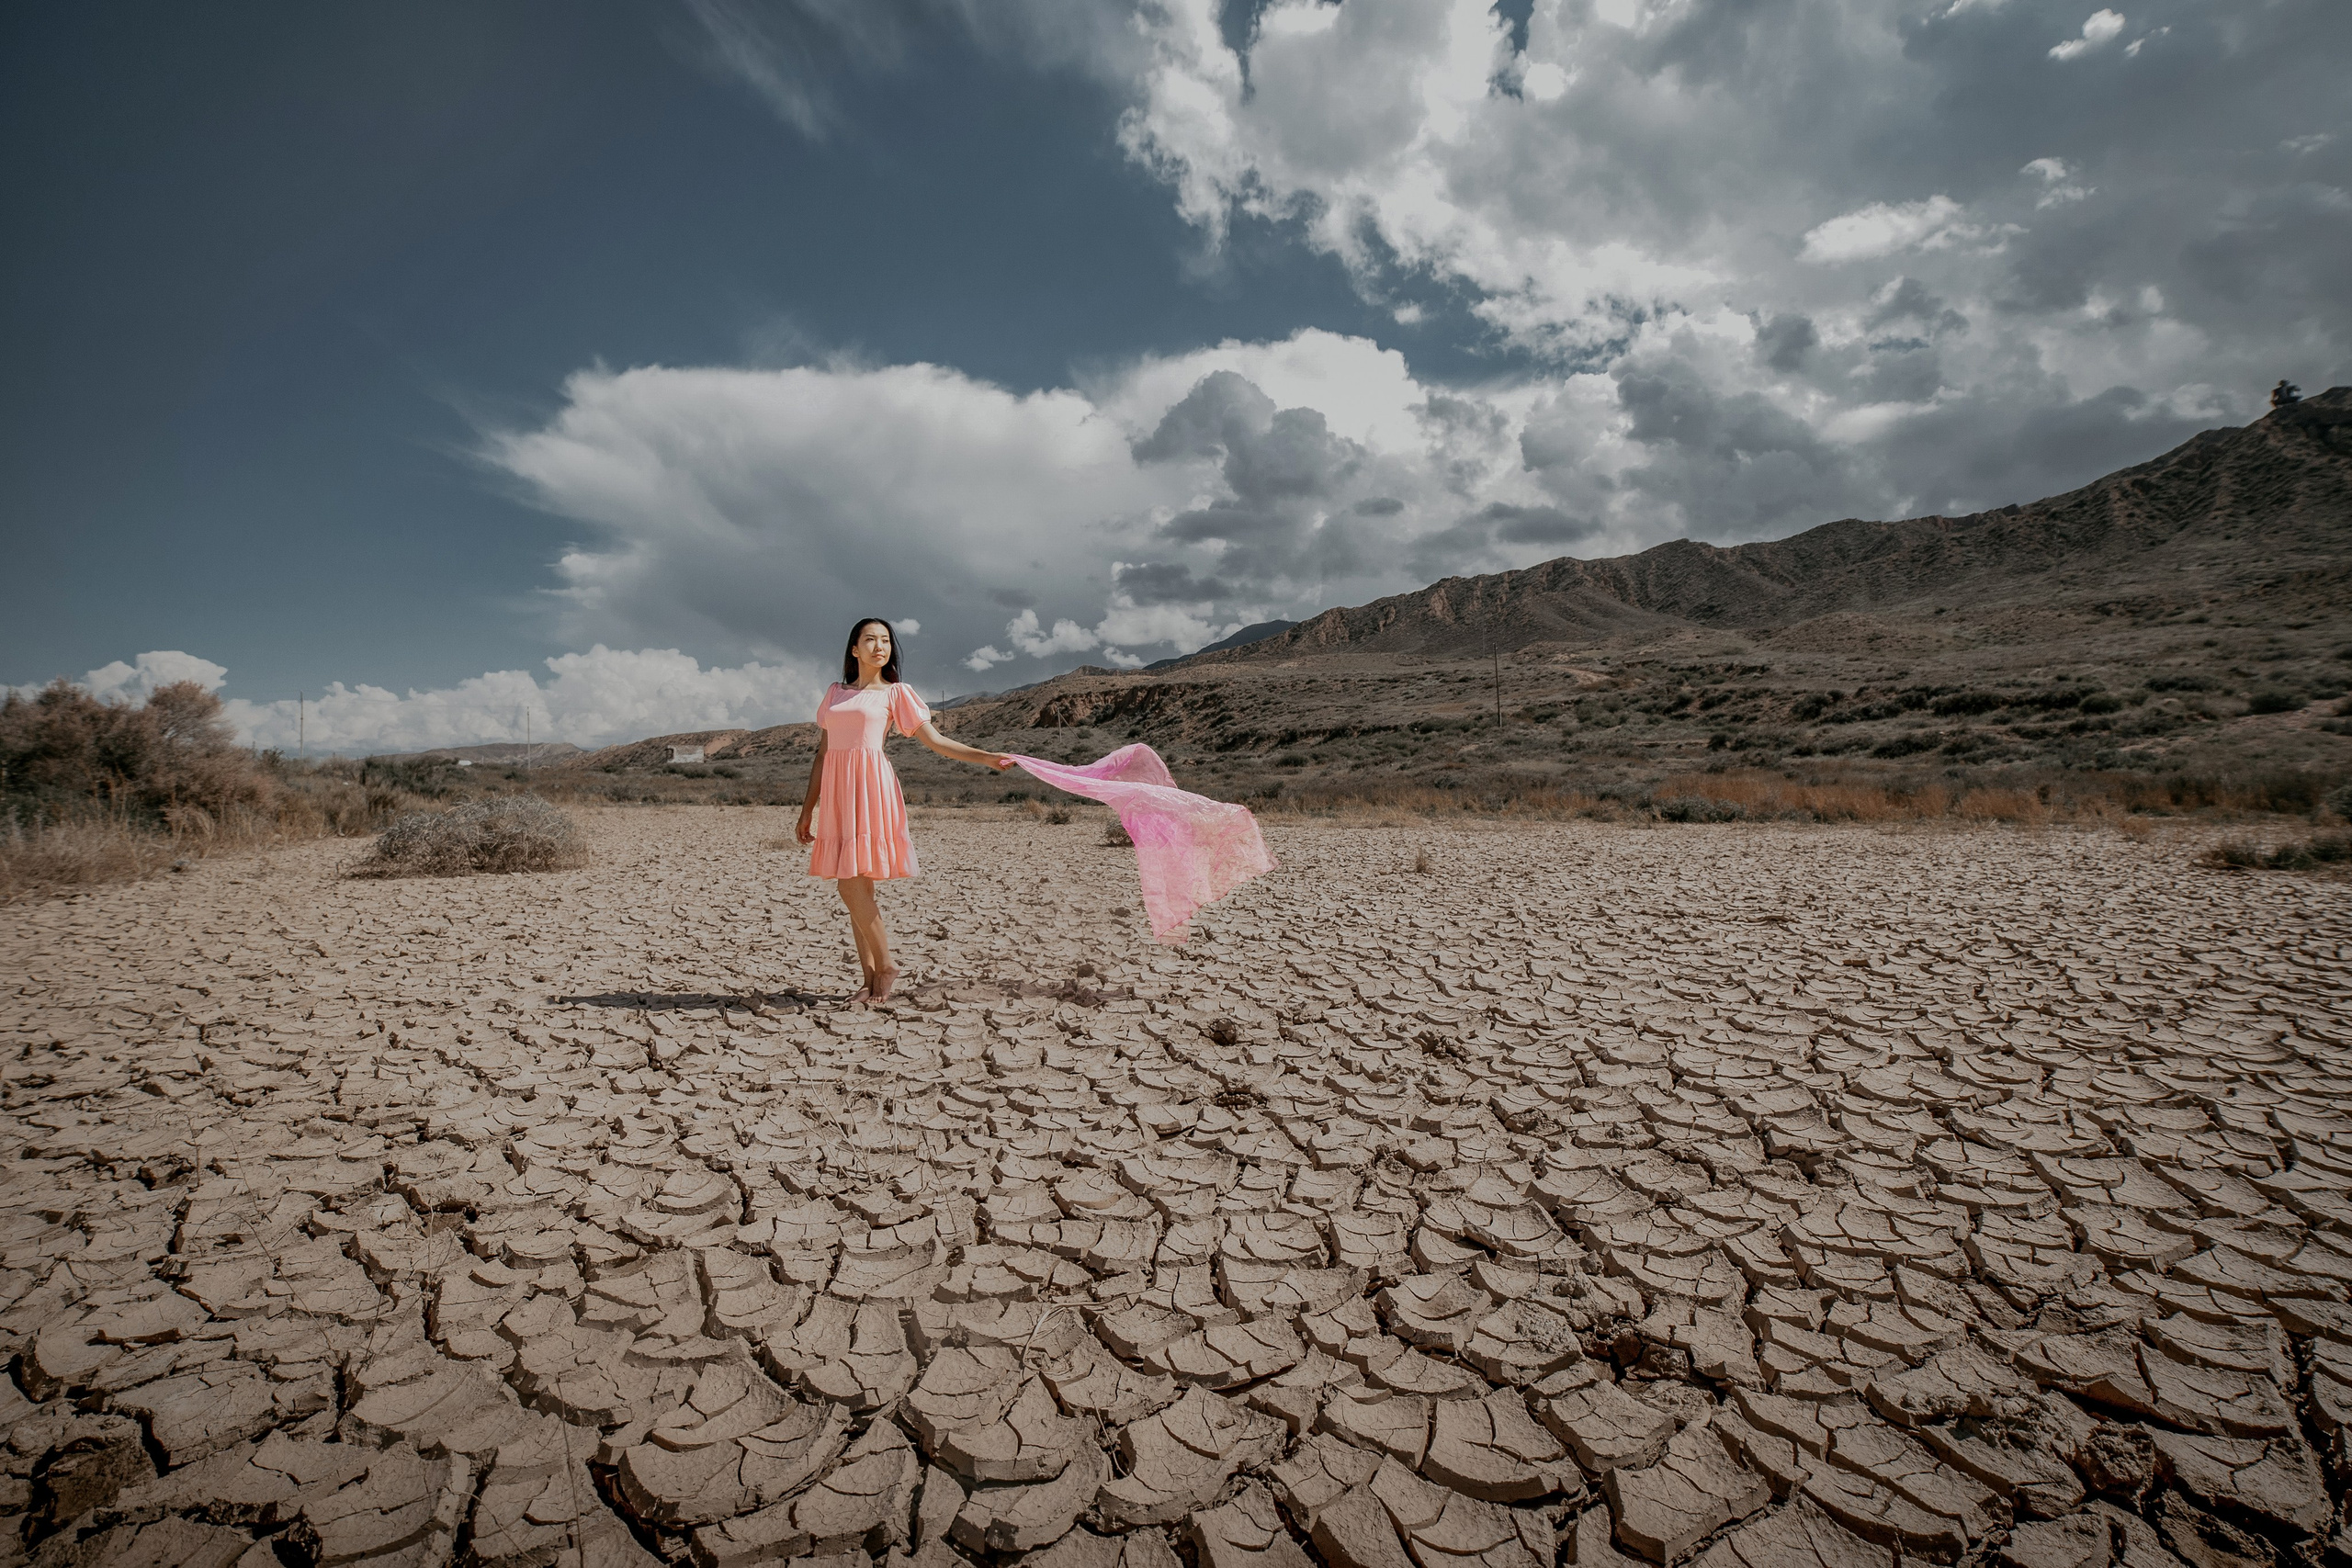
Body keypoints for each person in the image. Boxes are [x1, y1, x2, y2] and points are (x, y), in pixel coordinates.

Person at [797, 617, 1012, 1001]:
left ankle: (887, 965)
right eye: (870, 640)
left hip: (870, 787)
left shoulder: (896, 693)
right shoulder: (835, 694)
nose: (880, 646)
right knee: (854, 886)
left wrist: (987, 758)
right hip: (836, 792)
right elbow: (822, 755)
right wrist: (807, 810)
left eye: (885, 641)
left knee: (851, 887)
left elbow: (936, 740)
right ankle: (867, 980)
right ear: (854, 649)